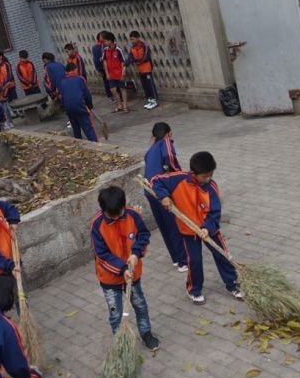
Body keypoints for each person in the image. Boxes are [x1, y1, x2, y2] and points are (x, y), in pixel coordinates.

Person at [152, 151, 242, 305]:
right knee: (194, 261)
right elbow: (155, 180)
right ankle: (194, 290)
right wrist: (164, 196)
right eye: (204, 176)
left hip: (209, 229)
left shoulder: (211, 187)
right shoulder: (177, 179)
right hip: (188, 230)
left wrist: (207, 228)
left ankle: (233, 284)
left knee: (222, 255)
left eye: (210, 175)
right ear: (193, 173)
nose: (207, 179)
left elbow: (215, 213)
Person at [91, 186, 160, 350]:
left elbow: (143, 235)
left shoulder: (133, 215)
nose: (116, 217)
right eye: (111, 215)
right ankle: (120, 343)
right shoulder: (96, 225)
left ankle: (146, 333)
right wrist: (122, 269)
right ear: (103, 210)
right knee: (116, 314)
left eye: (119, 213)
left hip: (133, 273)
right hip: (110, 278)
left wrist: (136, 253)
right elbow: (101, 254)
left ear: (123, 206)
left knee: (140, 305)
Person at [144, 122, 187, 272]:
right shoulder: (166, 142)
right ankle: (183, 261)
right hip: (161, 190)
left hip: (149, 190)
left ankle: (175, 259)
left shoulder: (149, 151)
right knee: (173, 225)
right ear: (168, 134)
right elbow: (169, 156)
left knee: (164, 226)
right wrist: (178, 175)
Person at [58, 63, 98, 142]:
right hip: (80, 106)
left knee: (76, 128)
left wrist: (65, 108)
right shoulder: (80, 79)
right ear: (74, 69)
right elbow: (87, 95)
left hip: (68, 108)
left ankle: (79, 143)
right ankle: (95, 145)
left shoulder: (62, 82)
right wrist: (89, 106)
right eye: (77, 70)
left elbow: (62, 98)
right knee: (88, 128)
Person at [127, 31, 159, 110]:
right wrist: (127, 63)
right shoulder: (132, 48)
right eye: (131, 39)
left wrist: (137, 61)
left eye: (133, 39)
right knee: (145, 86)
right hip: (140, 70)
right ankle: (149, 99)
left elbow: (145, 57)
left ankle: (154, 100)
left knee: (150, 85)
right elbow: (130, 57)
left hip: (147, 69)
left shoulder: (144, 46)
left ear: (138, 38)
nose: (132, 41)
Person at [101, 31, 129, 113]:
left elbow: (123, 62)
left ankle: (125, 105)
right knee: (113, 90)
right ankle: (119, 104)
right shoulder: (105, 50)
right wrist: (107, 73)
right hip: (111, 75)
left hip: (119, 74)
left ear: (110, 41)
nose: (104, 43)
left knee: (122, 89)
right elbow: (105, 62)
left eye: (105, 41)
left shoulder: (118, 50)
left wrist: (123, 72)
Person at [92, 31, 114, 103]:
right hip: (103, 68)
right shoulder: (96, 47)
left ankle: (114, 96)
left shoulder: (106, 45)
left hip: (110, 67)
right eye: (102, 36)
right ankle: (110, 96)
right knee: (107, 82)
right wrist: (99, 69)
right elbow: (96, 59)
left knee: (112, 82)